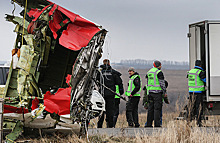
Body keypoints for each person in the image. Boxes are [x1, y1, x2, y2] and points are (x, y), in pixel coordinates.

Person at [97, 59, 124, 128]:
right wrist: (121, 91)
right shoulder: (113, 73)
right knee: (110, 111)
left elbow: (95, 81)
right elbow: (119, 83)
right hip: (111, 94)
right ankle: (110, 126)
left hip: (101, 94)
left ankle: (99, 126)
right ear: (109, 63)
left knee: (101, 110)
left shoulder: (99, 73)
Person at [145, 60, 167, 127]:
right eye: (160, 65)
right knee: (157, 109)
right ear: (159, 65)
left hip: (150, 93)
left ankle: (149, 124)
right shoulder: (159, 72)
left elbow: (148, 83)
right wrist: (164, 92)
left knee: (150, 109)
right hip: (157, 93)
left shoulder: (149, 72)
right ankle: (157, 124)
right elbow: (162, 83)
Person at [187, 60, 206, 127]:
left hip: (191, 92)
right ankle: (198, 122)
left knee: (191, 107)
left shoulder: (190, 71)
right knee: (199, 107)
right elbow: (205, 80)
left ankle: (188, 122)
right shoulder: (200, 72)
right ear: (200, 65)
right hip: (198, 92)